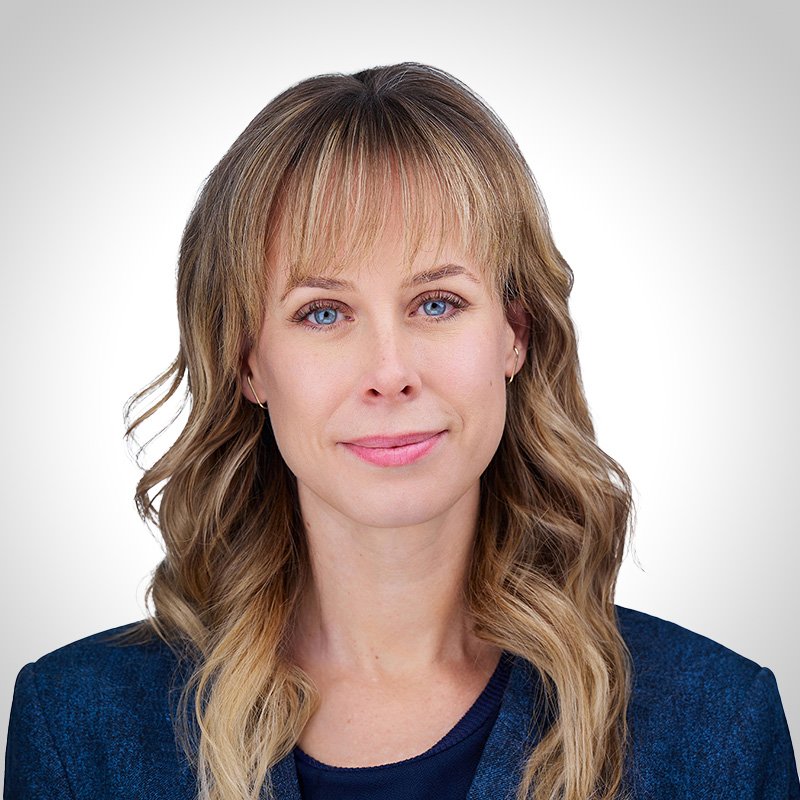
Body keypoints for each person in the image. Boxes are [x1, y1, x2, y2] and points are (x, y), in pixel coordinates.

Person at [3, 62, 798, 800]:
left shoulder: (717, 726)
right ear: (248, 363)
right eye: (323, 312)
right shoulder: (80, 729)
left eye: (437, 303)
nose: (390, 370)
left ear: (515, 334)